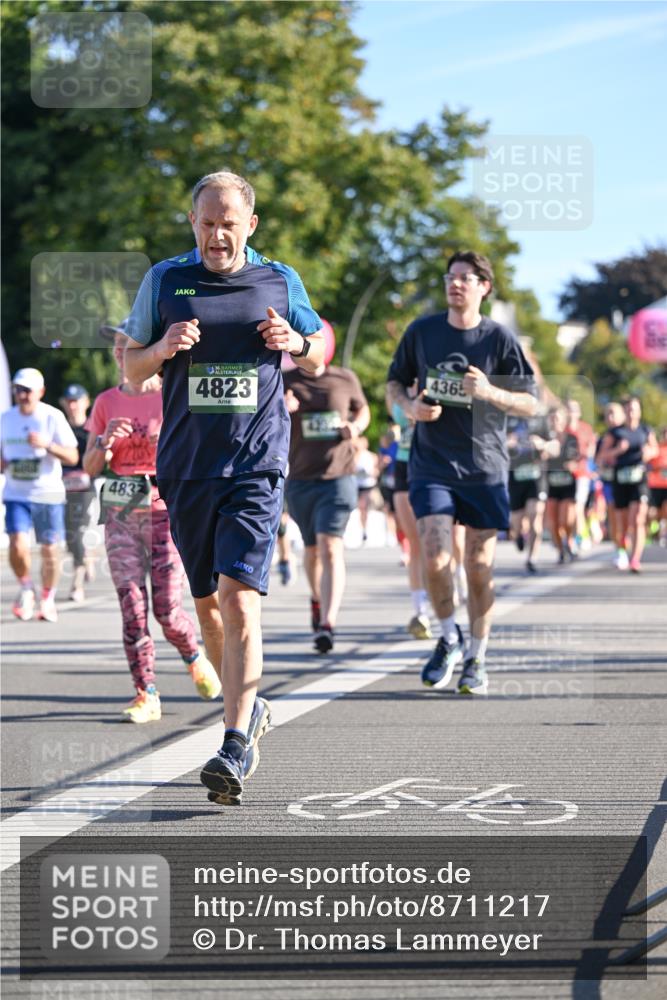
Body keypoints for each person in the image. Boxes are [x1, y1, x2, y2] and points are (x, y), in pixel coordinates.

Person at [123, 170, 324, 803]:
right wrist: (162, 348)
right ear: (193, 222)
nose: (217, 235)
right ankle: (250, 708)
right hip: (186, 467)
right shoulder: (165, 280)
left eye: (228, 224)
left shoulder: (278, 279)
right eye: (207, 223)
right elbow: (129, 369)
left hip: (257, 463)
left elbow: (320, 347)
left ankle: (234, 742)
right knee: (208, 604)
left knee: (241, 601)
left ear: (250, 225)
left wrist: (296, 341)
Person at [387, 251, 537, 696]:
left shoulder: (499, 339)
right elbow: (395, 382)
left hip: (485, 466)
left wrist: (489, 391)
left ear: (484, 287)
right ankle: (448, 635)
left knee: (478, 565)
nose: (456, 284)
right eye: (450, 277)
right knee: (434, 555)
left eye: (466, 278)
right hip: (432, 464)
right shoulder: (422, 332)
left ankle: (477, 656)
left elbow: (530, 402)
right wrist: (410, 407)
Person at [84, 327, 221, 722]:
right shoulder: (106, 402)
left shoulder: (171, 396)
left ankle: (194, 654)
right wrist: (103, 441)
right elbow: (89, 466)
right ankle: (146, 693)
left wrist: (168, 442)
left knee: (167, 610)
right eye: (116, 347)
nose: (119, 352)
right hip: (120, 512)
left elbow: (200, 452)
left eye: (128, 345)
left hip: (165, 510)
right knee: (131, 605)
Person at [283, 357, 370, 653]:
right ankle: (317, 599)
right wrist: (281, 407)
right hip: (300, 478)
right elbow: (259, 416)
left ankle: (328, 624)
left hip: (338, 477)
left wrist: (355, 427)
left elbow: (363, 410)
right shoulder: (286, 380)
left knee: (330, 545)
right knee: (311, 551)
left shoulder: (345, 378)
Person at [1, 367, 78, 622]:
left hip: (47, 493)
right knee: (18, 546)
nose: (22, 395)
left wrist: (47, 445)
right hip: (16, 493)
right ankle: (26, 588)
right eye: (18, 390)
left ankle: (47, 597)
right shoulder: (6, 418)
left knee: (49, 550)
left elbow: (73, 456)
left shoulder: (52, 417)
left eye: (27, 390)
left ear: (41, 392)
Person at [597, 397, 657, 573]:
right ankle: (622, 551)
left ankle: (635, 559)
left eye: (634, 409)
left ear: (639, 411)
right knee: (622, 523)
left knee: (638, 519)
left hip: (639, 480)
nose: (632, 413)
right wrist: (618, 450)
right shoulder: (615, 433)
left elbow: (655, 449)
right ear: (624, 412)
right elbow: (601, 457)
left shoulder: (645, 430)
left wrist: (649, 453)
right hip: (620, 480)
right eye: (628, 409)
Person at [391, 399, 432, 639]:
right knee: (415, 543)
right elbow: (393, 422)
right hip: (404, 468)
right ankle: (420, 611)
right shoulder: (397, 389)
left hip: (433, 467)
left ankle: (457, 581)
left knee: (443, 544)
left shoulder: (437, 382)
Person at [59, 383, 96, 602]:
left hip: (85, 488)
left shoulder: (92, 428)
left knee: (78, 532)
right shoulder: (60, 427)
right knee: (68, 535)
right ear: (64, 404)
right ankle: (85, 558)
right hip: (61, 489)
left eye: (77, 401)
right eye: (69, 401)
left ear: (86, 402)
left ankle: (77, 580)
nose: (73, 406)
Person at [532, 406, 580, 563]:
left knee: (565, 519)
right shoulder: (544, 438)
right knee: (553, 522)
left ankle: (570, 541)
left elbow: (575, 459)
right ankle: (561, 550)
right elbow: (538, 458)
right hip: (550, 483)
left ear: (564, 420)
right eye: (551, 418)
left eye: (557, 418)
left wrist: (572, 464)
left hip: (567, 483)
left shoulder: (571, 439)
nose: (554, 422)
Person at [507, 413, 547, 573]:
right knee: (516, 521)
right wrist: (508, 443)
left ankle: (532, 557)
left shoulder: (541, 421)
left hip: (536, 477)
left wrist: (541, 444)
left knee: (535, 515)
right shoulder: (507, 419)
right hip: (515, 476)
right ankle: (517, 536)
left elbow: (554, 447)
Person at [595, 402, 625, 565]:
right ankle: (620, 550)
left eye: (614, 413)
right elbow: (598, 460)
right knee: (614, 516)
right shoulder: (604, 439)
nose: (611, 418)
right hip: (610, 483)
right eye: (608, 414)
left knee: (630, 518)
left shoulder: (630, 435)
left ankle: (629, 548)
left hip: (629, 483)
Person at [565, 398, 596, 552]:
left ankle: (581, 537)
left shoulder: (585, 429)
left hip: (582, 474)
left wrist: (584, 454)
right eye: (568, 409)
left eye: (573, 409)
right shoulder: (562, 430)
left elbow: (591, 450)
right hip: (565, 476)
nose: (571, 413)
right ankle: (571, 538)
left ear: (579, 412)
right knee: (568, 512)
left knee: (578, 507)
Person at [647, 425, 667, 547]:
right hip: (655, 485)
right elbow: (648, 462)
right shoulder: (657, 448)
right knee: (653, 512)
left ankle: (662, 530)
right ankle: (655, 529)